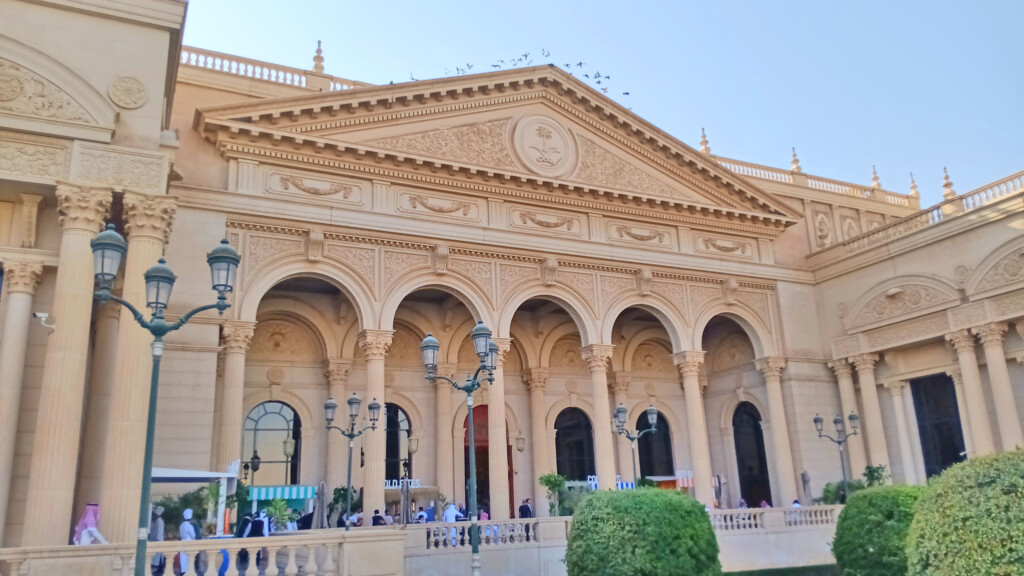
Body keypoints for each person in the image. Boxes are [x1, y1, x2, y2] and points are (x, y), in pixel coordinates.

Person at [177, 508, 197, 576]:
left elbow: (180, 535)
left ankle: (183, 572)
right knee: (189, 559)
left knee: (183, 559)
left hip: (182, 543)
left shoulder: (181, 526)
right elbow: (193, 535)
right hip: (189, 543)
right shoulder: (189, 526)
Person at [150, 506, 166, 575]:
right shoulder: (155, 521)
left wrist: (156, 540)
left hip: (158, 541)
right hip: (154, 540)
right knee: (156, 556)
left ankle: (159, 569)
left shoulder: (160, 522)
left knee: (159, 556)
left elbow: (159, 533)